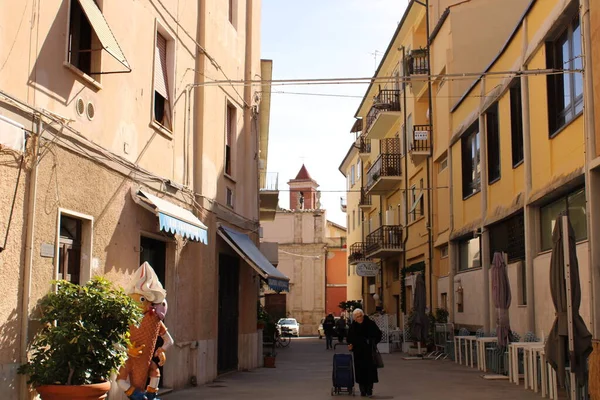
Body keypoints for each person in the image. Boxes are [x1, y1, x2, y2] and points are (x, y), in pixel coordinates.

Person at [347, 309, 382, 397]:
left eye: (360, 316)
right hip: (358, 352)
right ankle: (362, 390)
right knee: (360, 371)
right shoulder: (353, 326)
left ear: (363, 315)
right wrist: (350, 345)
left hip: (369, 351)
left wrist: (373, 343)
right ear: (354, 318)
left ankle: (369, 390)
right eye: (357, 317)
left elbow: (378, 334)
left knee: (369, 371)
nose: (359, 318)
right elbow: (349, 338)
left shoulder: (370, 324)